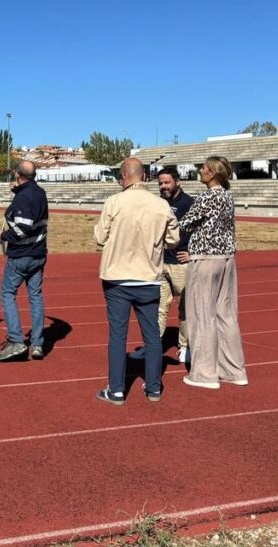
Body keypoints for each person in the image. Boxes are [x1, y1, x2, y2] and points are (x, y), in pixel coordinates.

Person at [93, 158, 179, 405]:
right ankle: (153, 388)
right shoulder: (160, 205)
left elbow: (100, 237)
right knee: (152, 335)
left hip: (117, 279)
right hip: (148, 278)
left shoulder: (114, 202)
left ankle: (117, 390)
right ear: (144, 176)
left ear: (123, 176)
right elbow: (174, 239)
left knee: (118, 334)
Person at [178, 156, 248, 388]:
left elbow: (185, 224)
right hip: (227, 258)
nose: (201, 170)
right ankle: (233, 370)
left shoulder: (207, 197)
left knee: (201, 314)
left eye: (205, 168)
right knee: (226, 314)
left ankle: (205, 373)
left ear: (214, 173)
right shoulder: (228, 197)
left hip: (206, 258)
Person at [129, 167, 194, 363]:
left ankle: (185, 347)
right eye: (160, 183)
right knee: (157, 309)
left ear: (177, 182)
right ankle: (152, 347)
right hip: (158, 264)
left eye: (167, 182)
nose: (163, 186)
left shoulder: (189, 203)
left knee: (185, 309)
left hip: (181, 266)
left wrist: (194, 253)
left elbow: (201, 231)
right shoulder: (157, 203)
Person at [0, 160, 49, 361]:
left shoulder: (23, 197)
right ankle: (37, 344)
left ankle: (16, 340)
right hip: (39, 254)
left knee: (7, 293)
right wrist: (17, 192)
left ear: (18, 174)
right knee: (35, 296)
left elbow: (22, 228)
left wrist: (3, 235)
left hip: (21, 255)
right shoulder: (39, 192)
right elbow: (31, 212)